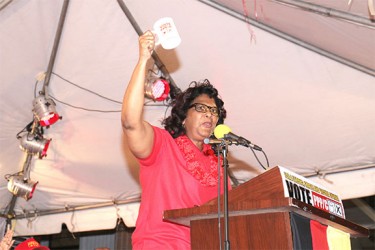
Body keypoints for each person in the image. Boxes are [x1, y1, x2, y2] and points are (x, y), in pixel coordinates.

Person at [121, 30, 229, 249]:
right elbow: (130, 123)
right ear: (183, 117)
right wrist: (143, 60)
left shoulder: (219, 165)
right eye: (201, 108)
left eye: (214, 111)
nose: (210, 114)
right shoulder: (162, 146)